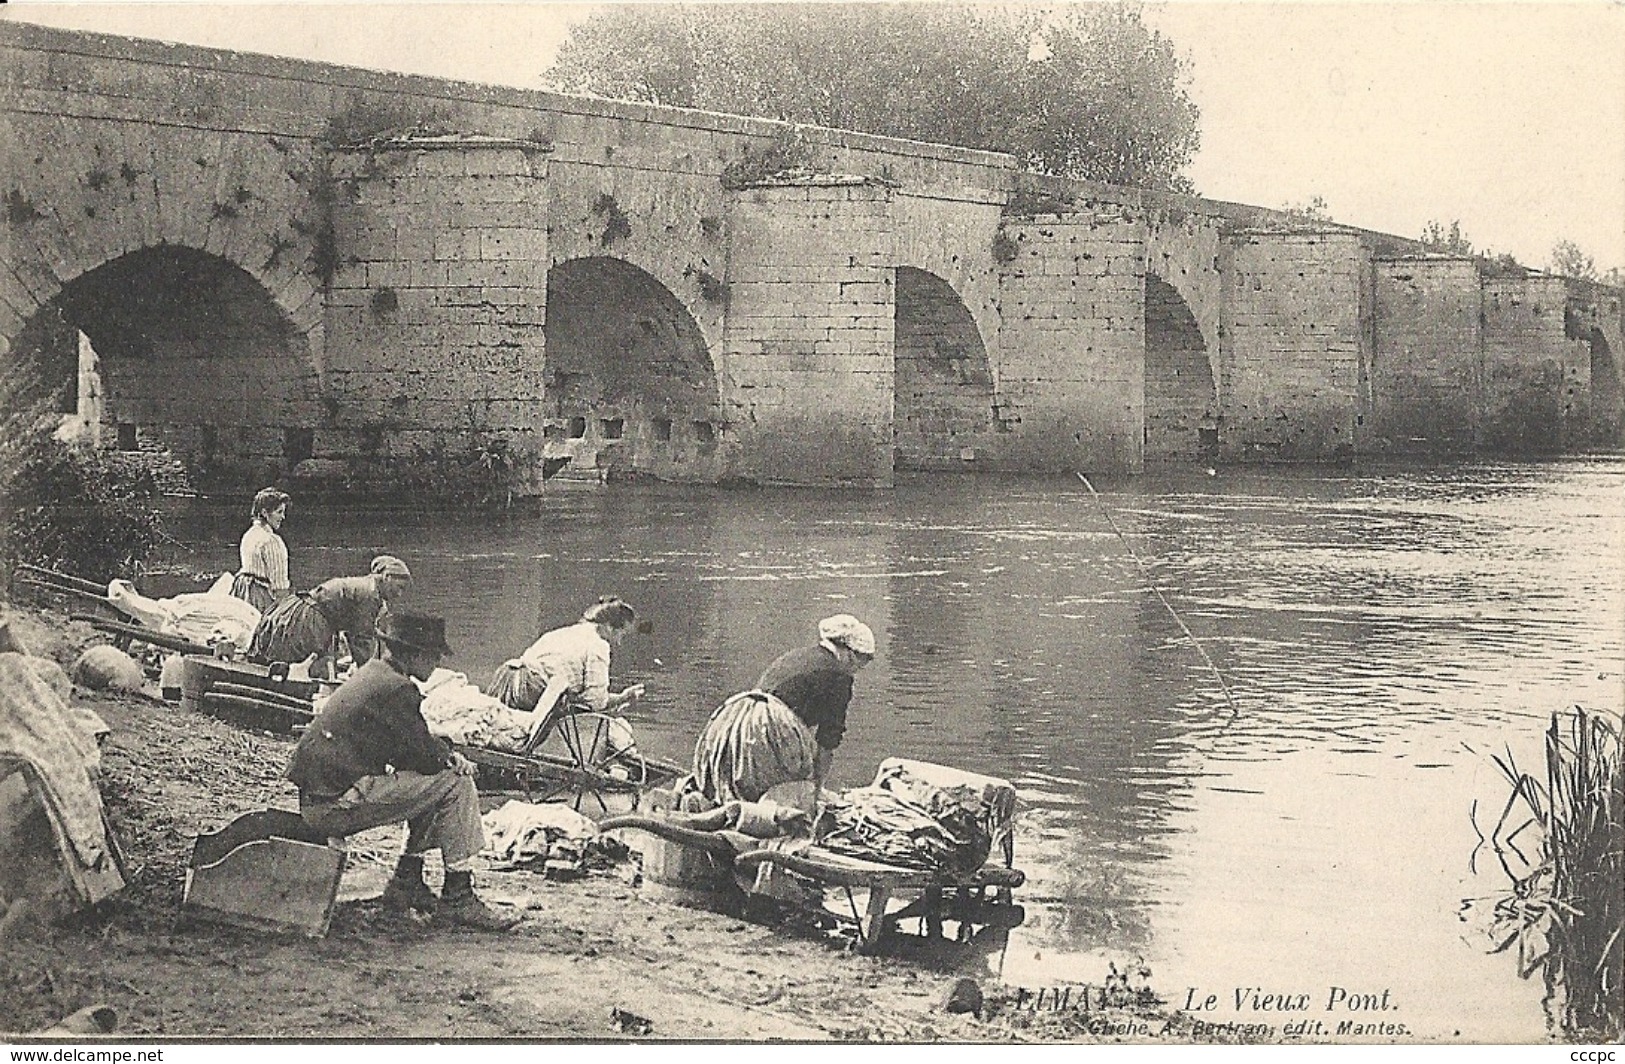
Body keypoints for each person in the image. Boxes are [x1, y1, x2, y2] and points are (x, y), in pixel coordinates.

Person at [285, 611, 518, 930]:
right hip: (333, 806)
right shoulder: (398, 688)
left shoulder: (375, 673)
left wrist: (441, 753)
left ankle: (407, 883)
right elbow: (423, 757)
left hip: (321, 798)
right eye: (434, 655)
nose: (437, 663)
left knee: (433, 784)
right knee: (456, 783)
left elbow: (410, 750)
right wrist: (451, 756)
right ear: (416, 655)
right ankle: (459, 897)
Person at [691, 614, 876, 804]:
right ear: (848, 652)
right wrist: (817, 789)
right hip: (768, 727)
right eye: (862, 660)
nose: (858, 668)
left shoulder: (798, 656)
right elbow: (828, 739)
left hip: (734, 720)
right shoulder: (839, 676)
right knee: (794, 789)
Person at [487, 596, 645, 748]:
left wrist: (620, 697)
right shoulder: (598, 646)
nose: (618, 642)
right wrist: (622, 698)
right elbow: (595, 702)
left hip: (507, 680)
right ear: (609, 627)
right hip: (534, 690)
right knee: (570, 706)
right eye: (621, 634)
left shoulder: (563, 632)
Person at [248, 555, 411, 677]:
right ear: (387, 577)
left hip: (303, 610)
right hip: (310, 619)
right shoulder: (370, 594)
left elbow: (364, 631)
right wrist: (370, 675)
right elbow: (361, 638)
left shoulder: (366, 588)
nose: (399, 594)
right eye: (399, 587)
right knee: (311, 667)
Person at [230, 488, 291, 613]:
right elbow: (280, 587)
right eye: (279, 512)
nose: (283, 517)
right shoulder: (271, 540)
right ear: (264, 512)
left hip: (242, 592)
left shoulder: (249, 535)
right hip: (261, 599)